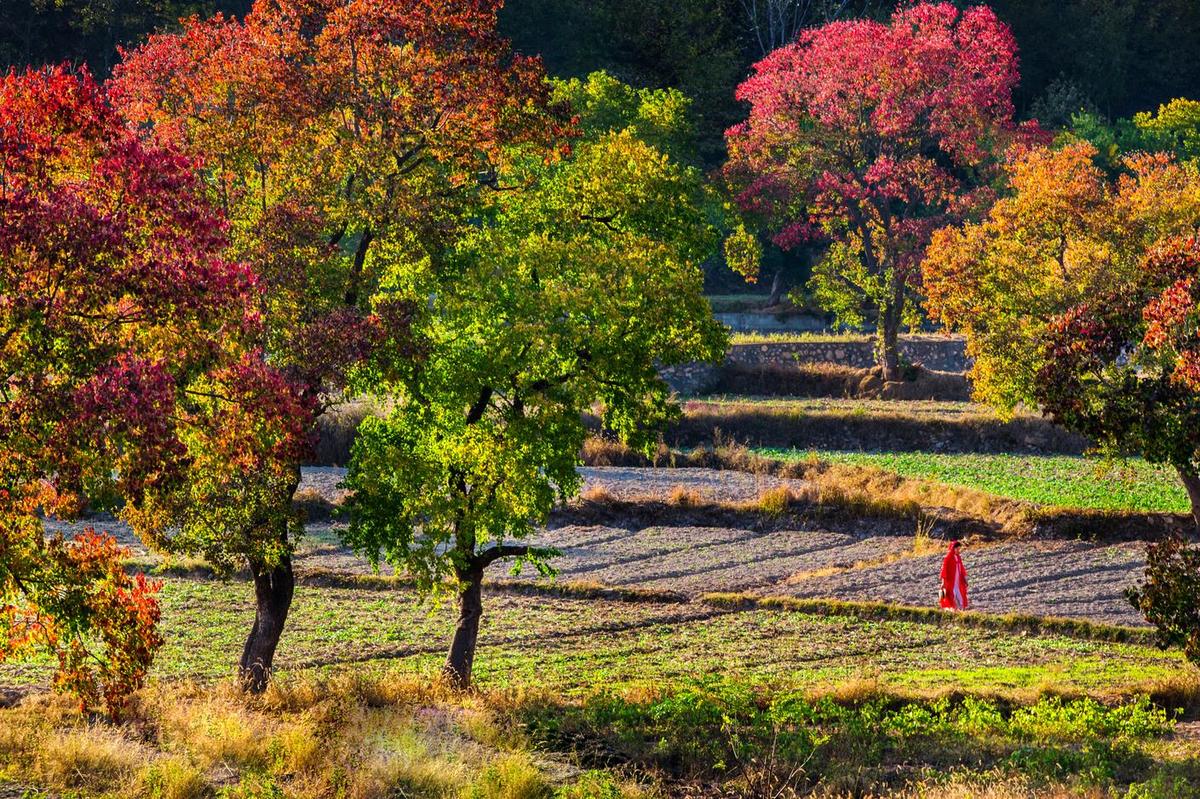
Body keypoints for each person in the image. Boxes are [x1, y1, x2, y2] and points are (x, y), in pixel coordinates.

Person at [939, 540, 969, 610]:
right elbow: (944, 570)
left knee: (960, 597)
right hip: (950, 582)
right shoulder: (948, 558)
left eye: (959, 549)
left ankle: (960, 611)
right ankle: (952, 611)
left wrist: (965, 579)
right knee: (950, 596)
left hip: (958, 582)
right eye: (957, 549)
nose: (958, 550)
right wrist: (943, 581)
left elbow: (962, 568)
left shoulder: (958, 557)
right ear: (953, 548)